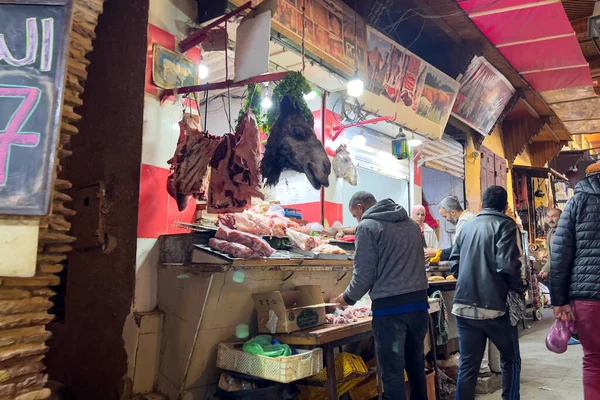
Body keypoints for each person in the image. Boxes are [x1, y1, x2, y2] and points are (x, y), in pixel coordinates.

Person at [331, 191, 429, 400]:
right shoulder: (412, 225)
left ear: (360, 208)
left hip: (391, 313)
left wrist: (345, 299)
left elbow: (364, 275)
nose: (358, 220)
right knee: (416, 366)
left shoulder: (367, 227)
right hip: (419, 307)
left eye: (356, 215)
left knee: (393, 374)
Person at [449, 186, 526, 400]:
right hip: (494, 307)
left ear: (482, 204)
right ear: (505, 206)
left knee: (468, 365)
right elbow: (508, 266)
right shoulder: (506, 225)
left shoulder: (466, 227)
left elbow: (454, 264)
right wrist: (519, 288)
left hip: (463, 306)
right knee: (511, 359)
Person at [551, 162, 600, 400]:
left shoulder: (577, 202)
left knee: (593, 359)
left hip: (588, 298)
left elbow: (560, 255)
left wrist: (559, 301)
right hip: (588, 295)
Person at [424, 196, 476, 261]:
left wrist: (436, 252)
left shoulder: (464, 222)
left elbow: (457, 250)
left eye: (445, 216)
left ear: (453, 212)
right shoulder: (470, 217)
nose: (446, 220)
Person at [538, 208, 561, 280]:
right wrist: (545, 269)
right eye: (548, 217)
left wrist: (548, 269)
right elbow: (551, 256)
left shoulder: (564, 232)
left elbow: (560, 255)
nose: (550, 220)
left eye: (554, 216)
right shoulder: (550, 233)